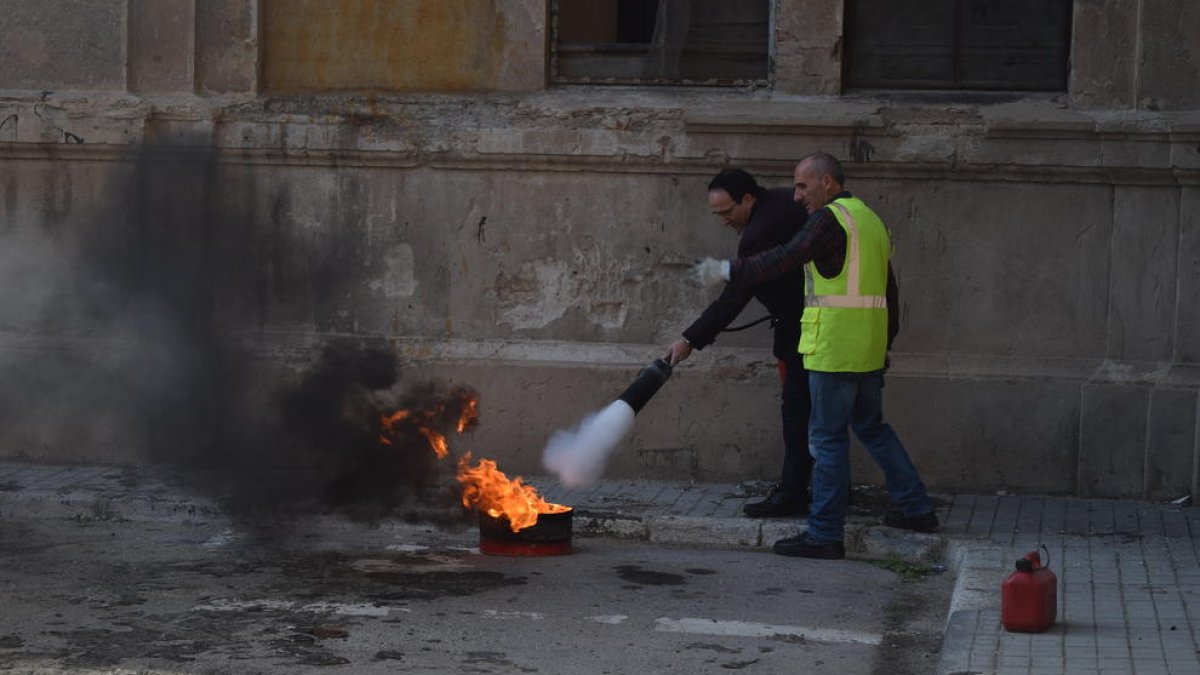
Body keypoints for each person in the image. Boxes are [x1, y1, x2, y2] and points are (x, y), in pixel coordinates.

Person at [694, 152, 937, 560]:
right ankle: (917, 509)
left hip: (833, 348)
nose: (796, 196)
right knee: (873, 429)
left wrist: (728, 269)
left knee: (825, 441)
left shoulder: (828, 220)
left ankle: (825, 533)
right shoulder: (870, 220)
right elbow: (890, 292)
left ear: (828, 182)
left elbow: (787, 256)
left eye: (803, 186)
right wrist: (884, 344)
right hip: (867, 348)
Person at [664, 168, 813, 518]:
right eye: (717, 214)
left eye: (728, 212)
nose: (723, 221)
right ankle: (829, 488)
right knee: (824, 419)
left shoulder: (759, 234)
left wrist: (689, 339)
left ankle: (794, 495)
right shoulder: (779, 201)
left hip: (803, 333)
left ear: (748, 198)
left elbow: (733, 299)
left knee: (798, 415)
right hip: (812, 328)